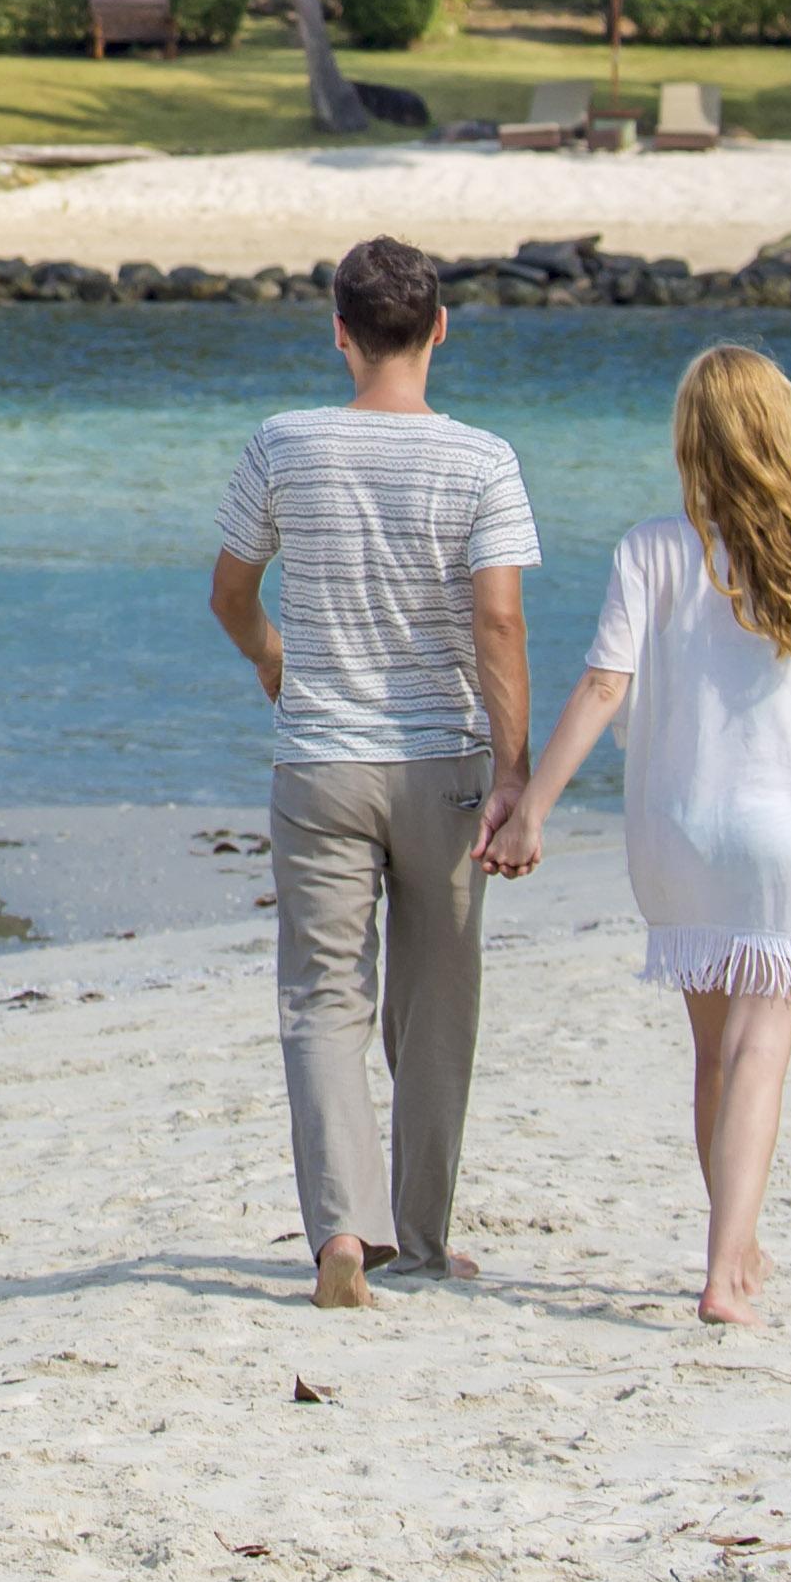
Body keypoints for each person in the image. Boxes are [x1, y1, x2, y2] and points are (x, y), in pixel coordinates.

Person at [482, 343, 791, 1328]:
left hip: (684, 832)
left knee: (715, 1055)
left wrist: (534, 806)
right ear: (785, 432)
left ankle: (734, 1234)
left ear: (692, 440)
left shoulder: (651, 549)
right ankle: (727, 1272)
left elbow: (605, 686)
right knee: (764, 1048)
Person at [209, 234, 535, 1308]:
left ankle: (343, 1233)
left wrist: (272, 658)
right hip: (442, 758)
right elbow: (497, 618)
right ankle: (427, 1242)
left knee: (321, 999)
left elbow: (231, 591)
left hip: (321, 761)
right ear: (442, 329)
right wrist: (515, 768)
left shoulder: (282, 444)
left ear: (340, 333)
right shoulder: (483, 460)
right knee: (437, 1003)